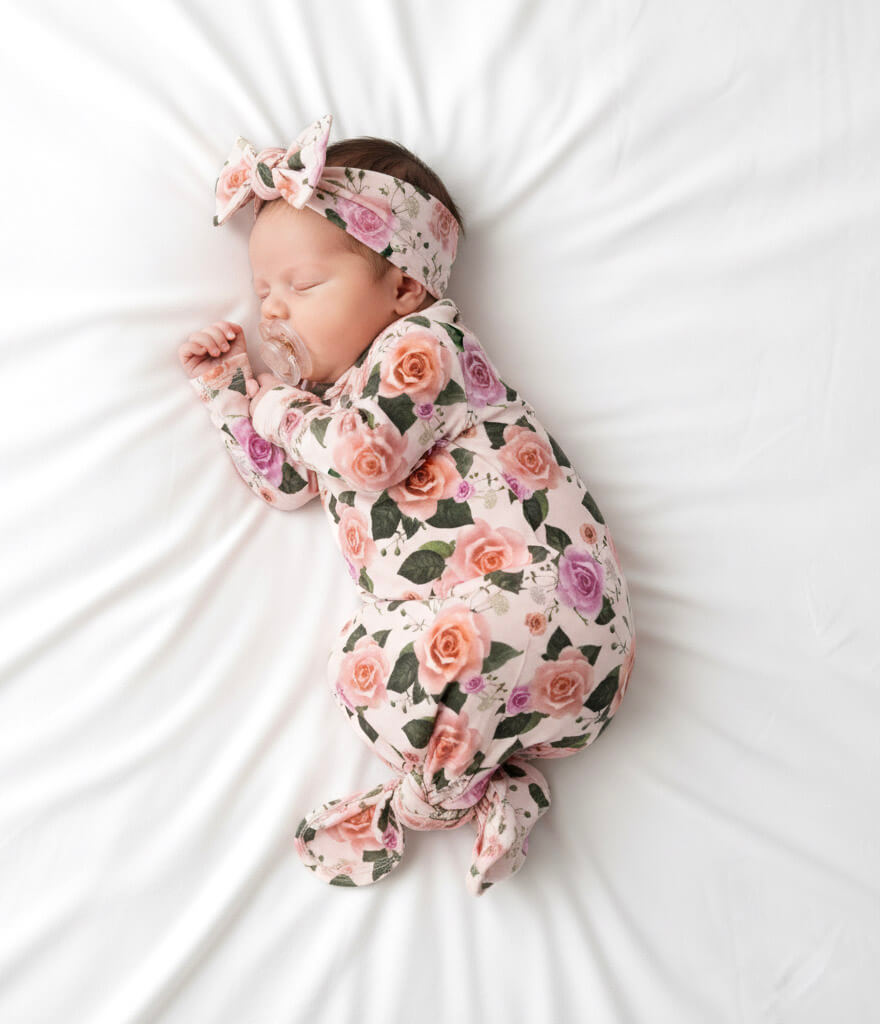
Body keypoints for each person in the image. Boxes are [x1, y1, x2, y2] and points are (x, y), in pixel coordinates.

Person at [178, 114, 637, 896]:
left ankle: (430, 800)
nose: (275, 313)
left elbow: (362, 457)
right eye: (263, 293)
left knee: (458, 640)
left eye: (304, 284)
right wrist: (232, 394)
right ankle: (493, 781)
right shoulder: (324, 402)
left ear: (403, 283)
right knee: (356, 669)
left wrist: (278, 411)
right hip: (497, 670)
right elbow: (290, 482)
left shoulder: (424, 346)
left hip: (544, 602)